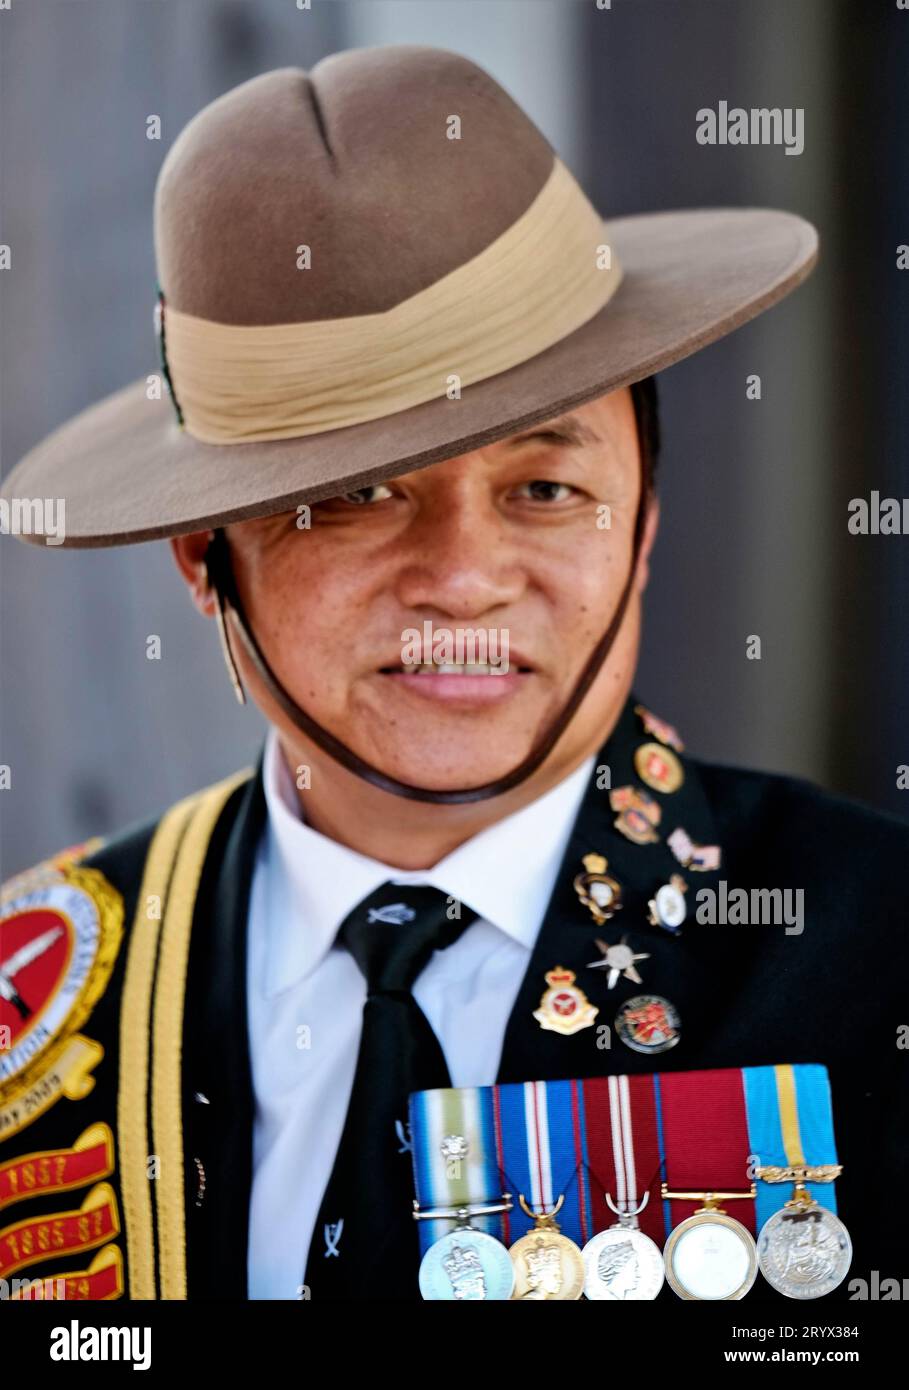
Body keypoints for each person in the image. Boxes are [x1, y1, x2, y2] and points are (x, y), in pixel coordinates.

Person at [1, 46, 904, 1304]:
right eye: (356, 497)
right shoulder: (36, 1005)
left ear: (641, 527)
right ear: (204, 560)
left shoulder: (874, 950)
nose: (465, 576)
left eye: (545, 487)